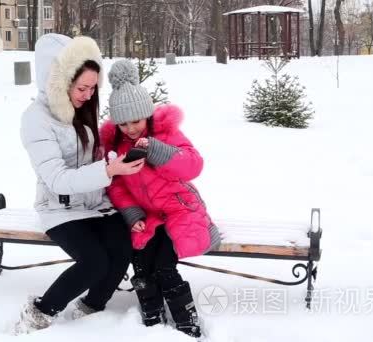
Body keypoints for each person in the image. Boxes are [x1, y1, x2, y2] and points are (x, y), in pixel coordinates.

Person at [14, 35, 144, 335]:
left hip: (96, 204)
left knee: (122, 251)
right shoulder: (35, 119)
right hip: (60, 210)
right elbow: (57, 178)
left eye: (92, 88)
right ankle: (39, 314)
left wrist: (115, 159)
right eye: (81, 88)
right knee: (95, 263)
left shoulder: (84, 111)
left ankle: (92, 310)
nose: (87, 95)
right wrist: (108, 169)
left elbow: (91, 159)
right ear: (58, 83)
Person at [100, 60, 221, 338]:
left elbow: (194, 165)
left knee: (164, 269)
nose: (131, 128)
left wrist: (158, 151)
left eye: (136, 121)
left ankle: (188, 326)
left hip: (181, 210)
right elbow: (117, 188)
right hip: (149, 217)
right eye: (123, 123)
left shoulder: (166, 134)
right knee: (141, 268)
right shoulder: (117, 148)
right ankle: (152, 322)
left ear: (147, 116)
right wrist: (132, 214)